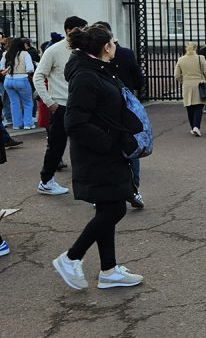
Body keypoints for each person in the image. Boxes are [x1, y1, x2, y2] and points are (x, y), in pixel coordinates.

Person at [53, 24, 144, 290]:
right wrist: (108, 143)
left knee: (109, 207)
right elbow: (75, 122)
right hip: (98, 155)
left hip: (106, 152)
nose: (116, 46)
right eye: (113, 42)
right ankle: (71, 257)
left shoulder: (96, 70)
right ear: (106, 47)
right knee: (115, 208)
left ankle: (109, 270)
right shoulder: (86, 75)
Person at [33, 16, 87, 196]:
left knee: (86, 144)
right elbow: (38, 76)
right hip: (61, 105)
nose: (83, 32)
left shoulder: (85, 49)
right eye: (79, 29)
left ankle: (88, 182)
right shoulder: (54, 50)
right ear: (68, 30)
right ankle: (46, 180)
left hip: (81, 104)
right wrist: (50, 103)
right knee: (57, 145)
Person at [95, 22, 146, 208]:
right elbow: (139, 80)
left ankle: (102, 192)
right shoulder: (126, 54)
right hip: (125, 105)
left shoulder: (89, 61)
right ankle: (134, 190)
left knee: (105, 149)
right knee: (131, 146)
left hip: (101, 109)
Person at [174, 42, 206, 137]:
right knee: (199, 106)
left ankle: (192, 127)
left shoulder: (181, 59)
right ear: (196, 48)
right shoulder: (200, 58)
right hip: (199, 84)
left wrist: (183, 81)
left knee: (189, 106)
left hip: (186, 85)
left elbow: (176, 75)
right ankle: (196, 127)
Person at [0, 37, 36, 130]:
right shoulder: (25, 54)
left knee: (14, 102)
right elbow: (30, 69)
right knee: (27, 102)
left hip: (8, 80)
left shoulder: (6, 54)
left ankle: (17, 124)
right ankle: (28, 123)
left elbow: (2, 67)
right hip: (22, 78)